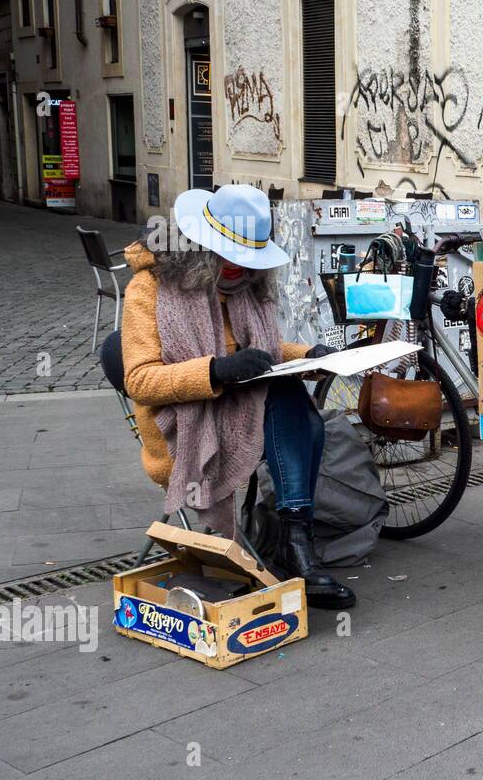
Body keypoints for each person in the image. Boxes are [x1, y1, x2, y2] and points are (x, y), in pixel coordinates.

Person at [122, 184, 355, 609]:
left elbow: (261, 352)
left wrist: (310, 356)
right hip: (185, 423)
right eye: (228, 255)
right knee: (296, 413)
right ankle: (295, 544)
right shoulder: (149, 288)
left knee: (288, 394)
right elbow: (139, 380)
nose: (238, 270)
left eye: (248, 259)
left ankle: (295, 537)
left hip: (242, 412)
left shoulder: (244, 285)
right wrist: (214, 370)